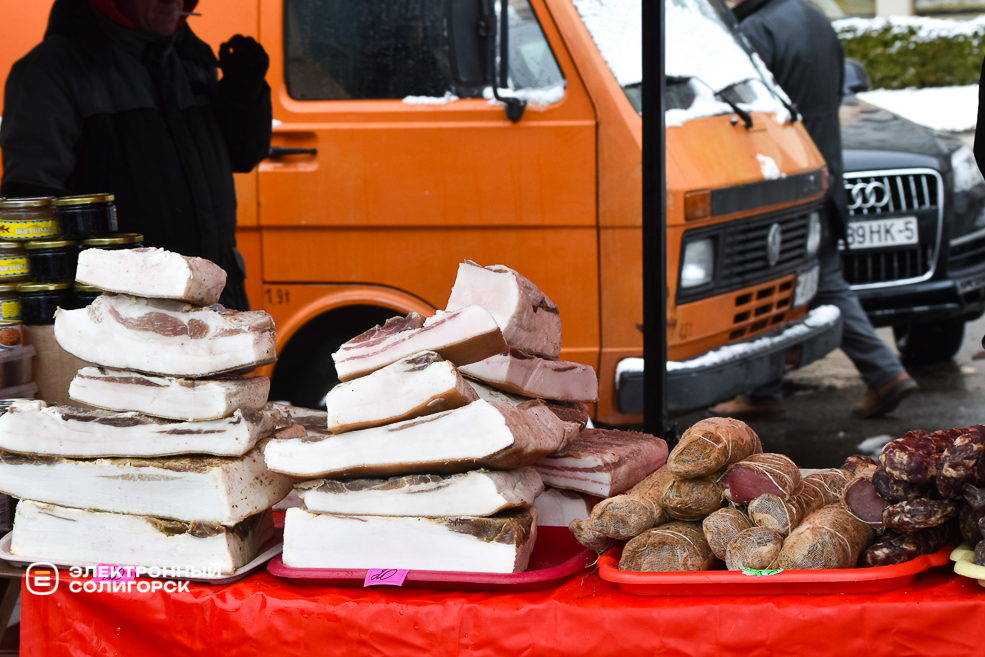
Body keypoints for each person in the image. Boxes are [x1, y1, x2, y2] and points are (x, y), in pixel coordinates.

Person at [710, 0, 916, 419]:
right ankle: (771, 390)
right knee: (804, 278)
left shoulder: (756, 31)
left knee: (774, 278)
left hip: (782, 178)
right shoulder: (815, 17)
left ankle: (880, 372)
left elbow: (745, 112)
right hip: (823, 167)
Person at [0, 0, 272, 310]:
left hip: (215, 297)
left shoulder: (191, 59)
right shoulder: (52, 72)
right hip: (126, 313)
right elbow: (32, 208)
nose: (174, 1)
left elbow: (243, 156)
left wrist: (245, 93)